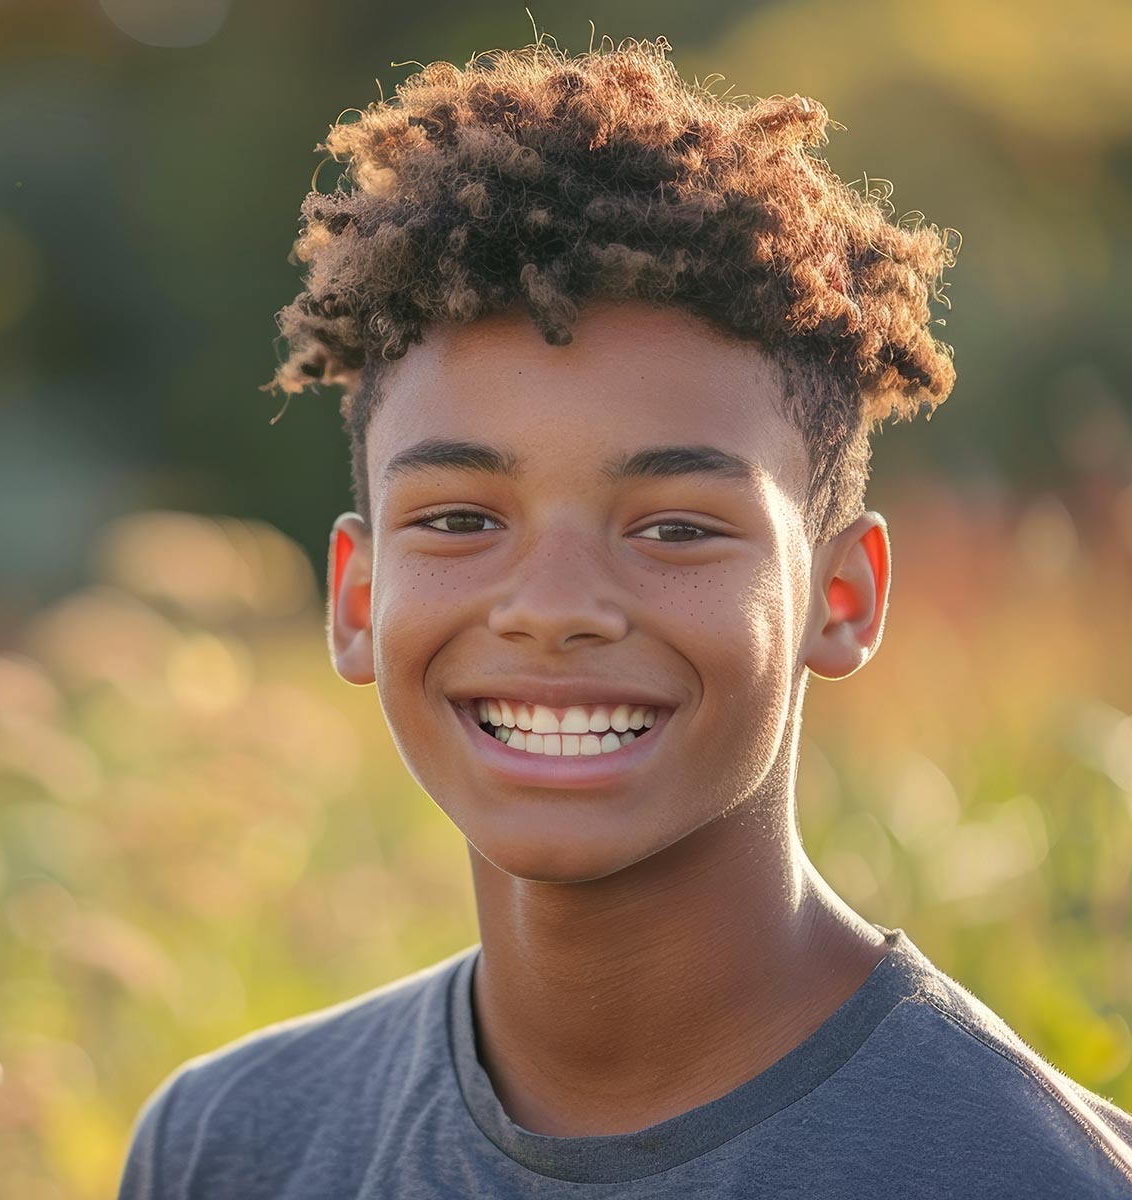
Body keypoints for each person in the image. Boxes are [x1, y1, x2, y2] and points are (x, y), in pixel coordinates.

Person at [118, 34, 1132, 1198]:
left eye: (675, 527)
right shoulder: (232, 1146)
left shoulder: (1025, 1174)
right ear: (356, 599)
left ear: (841, 598)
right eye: (458, 520)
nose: (553, 610)